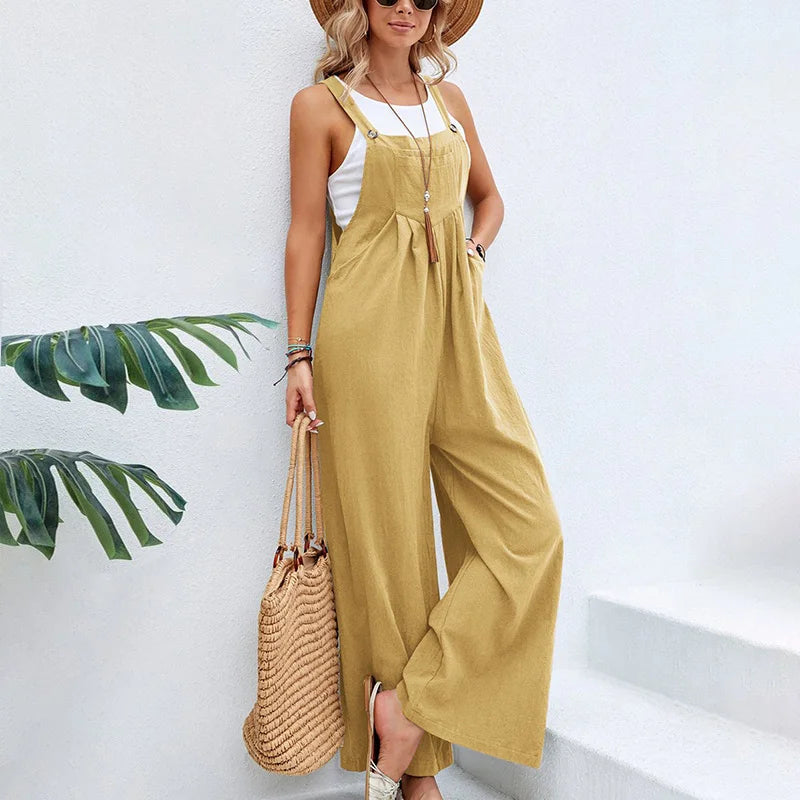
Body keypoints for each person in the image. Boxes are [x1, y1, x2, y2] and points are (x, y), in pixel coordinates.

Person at [276, 1, 564, 798]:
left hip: (459, 331)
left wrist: (470, 255)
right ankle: (417, 778)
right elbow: (305, 232)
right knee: (390, 548)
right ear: (360, 6)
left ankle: (403, 706)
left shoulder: (451, 103)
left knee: (528, 528)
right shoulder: (319, 108)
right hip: (366, 336)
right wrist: (298, 354)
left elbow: (490, 200)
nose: (407, 6)